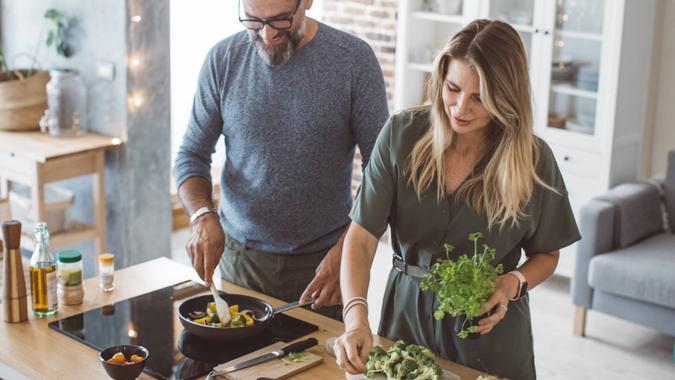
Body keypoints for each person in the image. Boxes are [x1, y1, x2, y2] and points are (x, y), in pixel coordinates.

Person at [333, 19, 580, 379]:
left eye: (480, 98)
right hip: (406, 321)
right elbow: (362, 237)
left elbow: (547, 254)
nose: (461, 107)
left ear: (505, 98)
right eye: (453, 88)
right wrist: (355, 315)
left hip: (488, 332)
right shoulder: (402, 135)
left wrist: (511, 284)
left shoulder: (533, 159)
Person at [173, 0, 389, 320]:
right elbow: (191, 154)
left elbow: (382, 175)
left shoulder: (353, 61)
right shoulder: (223, 59)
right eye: (254, 22)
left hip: (324, 263)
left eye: (280, 21)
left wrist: (348, 250)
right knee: (238, 365)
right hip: (240, 259)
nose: (267, 35)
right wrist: (202, 216)